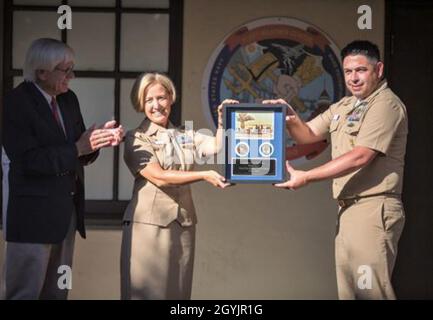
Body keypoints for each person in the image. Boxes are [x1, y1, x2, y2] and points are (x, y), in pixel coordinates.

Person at [264, 40, 408, 299]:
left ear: (379, 69)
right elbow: (307, 135)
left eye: (361, 70)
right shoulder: (344, 106)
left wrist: (306, 176)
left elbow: (360, 156)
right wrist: (288, 116)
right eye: (348, 71)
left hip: (372, 209)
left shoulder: (386, 104)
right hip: (347, 210)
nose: (354, 78)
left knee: (370, 292)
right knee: (350, 294)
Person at [0, 38, 123, 300]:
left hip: (66, 214)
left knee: (57, 293)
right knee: (24, 293)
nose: (72, 76)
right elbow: (28, 161)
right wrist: (78, 147)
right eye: (65, 70)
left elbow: (77, 151)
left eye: (72, 68)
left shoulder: (68, 99)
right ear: (41, 71)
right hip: (31, 218)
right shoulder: (14, 103)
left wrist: (96, 141)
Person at [121, 73, 233, 300]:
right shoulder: (137, 138)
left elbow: (216, 147)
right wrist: (204, 175)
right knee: (147, 296)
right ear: (140, 103)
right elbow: (160, 177)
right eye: (149, 99)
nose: (156, 105)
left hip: (184, 224)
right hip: (148, 226)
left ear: (171, 98)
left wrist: (223, 121)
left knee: (179, 295)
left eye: (161, 97)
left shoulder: (184, 134)